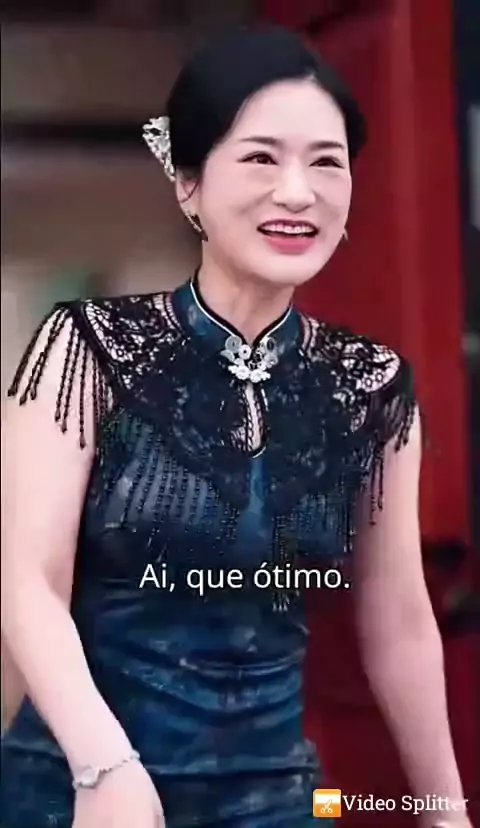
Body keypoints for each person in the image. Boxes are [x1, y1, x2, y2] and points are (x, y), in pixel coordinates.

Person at [1, 24, 472, 828]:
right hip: (81, 794)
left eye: (326, 162)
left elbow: (398, 622)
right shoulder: (89, 347)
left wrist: (445, 812)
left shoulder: (369, 384)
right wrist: (103, 765)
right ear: (188, 183)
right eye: (260, 158)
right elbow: (27, 583)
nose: (298, 193)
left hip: (272, 800)